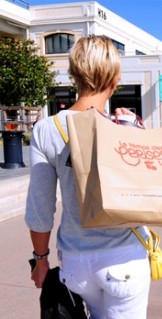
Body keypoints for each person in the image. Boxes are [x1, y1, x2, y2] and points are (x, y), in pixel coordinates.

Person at [25, 35, 151, 318]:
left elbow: (40, 207)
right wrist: (135, 131)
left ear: (73, 75)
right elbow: (147, 192)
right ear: (115, 79)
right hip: (125, 258)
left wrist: (41, 259)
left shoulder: (47, 129)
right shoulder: (126, 126)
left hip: (76, 262)